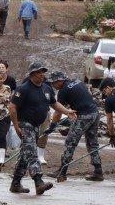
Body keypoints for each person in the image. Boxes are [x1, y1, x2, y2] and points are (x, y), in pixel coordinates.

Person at [9, 61, 76, 195]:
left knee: (25, 154)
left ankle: (15, 183)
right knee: (32, 153)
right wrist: (16, 126)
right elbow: (12, 107)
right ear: (32, 73)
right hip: (25, 123)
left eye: (43, 72)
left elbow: (54, 103)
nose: (42, 75)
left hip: (36, 125)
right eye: (39, 72)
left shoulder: (46, 88)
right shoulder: (23, 89)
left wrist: (67, 112)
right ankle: (38, 181)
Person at [48, 71, 103, 182]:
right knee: (93, 142)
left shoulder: (63, 90)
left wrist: (52, 125)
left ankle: (62, 172)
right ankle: (98, 171)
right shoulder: (76, 81)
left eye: (53, 83)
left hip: (84, 116)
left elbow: (58, 111)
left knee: (70, 142)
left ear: (59, 81)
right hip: (95, 113)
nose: (53, 86)